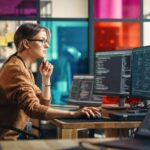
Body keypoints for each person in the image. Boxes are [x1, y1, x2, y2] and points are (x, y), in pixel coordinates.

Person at [0, 23, 101, 140]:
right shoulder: (16, 69)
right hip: (5, 142)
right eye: (42, 40)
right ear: (26, 43)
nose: (47, 45)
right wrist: (73, 114)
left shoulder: (22, 68)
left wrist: (46, 78)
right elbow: (33, 108)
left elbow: (43, 104)